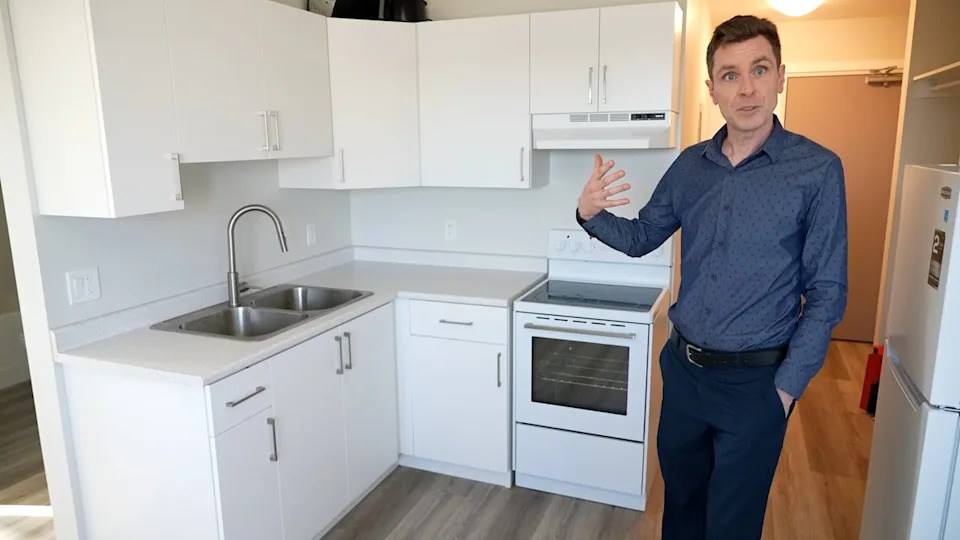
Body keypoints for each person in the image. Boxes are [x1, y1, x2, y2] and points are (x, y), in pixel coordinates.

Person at [575, 14, 848, 540]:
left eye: (759, 70)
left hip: (757, 386)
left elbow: (827, 292)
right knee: (680, 510)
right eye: (730, 75)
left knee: (731, 526)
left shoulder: (816, 170)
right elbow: (640, 238)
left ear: (780, 76)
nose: (746, 88)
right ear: (712, 89)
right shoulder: (689, 167)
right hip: (685, 376)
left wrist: (786, 391)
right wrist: (590, 214)